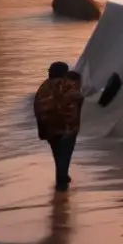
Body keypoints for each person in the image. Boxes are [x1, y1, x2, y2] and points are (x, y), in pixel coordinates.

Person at [34, 61, 84, 191]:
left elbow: (37, 107)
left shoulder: (43, 86)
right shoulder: (66, 85)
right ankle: (61, 184)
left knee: (57, 154)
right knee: (65, 155)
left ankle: (62, 177)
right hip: (66, 127)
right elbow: (76, 99)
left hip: (48, 128)